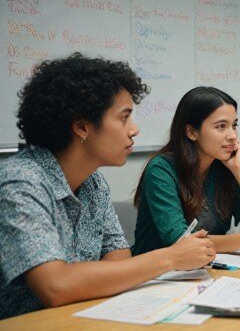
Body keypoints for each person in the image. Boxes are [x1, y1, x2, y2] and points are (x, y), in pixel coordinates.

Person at [0, 54, 216, 320]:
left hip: (81, 317)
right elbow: (55, 286)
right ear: (82, 127)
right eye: (124, 118)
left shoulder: (93, 182)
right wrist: (171, 258)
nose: (134, 129)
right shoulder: (20, 182)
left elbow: (120, 259)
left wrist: (83, 280)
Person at [132, 86, 240, 255]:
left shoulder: (228, 164)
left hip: (206, 268)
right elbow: (179, 240)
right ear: (192, 132)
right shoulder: (161, 170)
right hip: (156, 275)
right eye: (221, 126)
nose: (232, 135)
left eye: (234, 125)